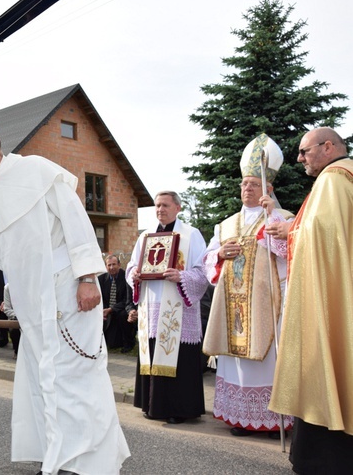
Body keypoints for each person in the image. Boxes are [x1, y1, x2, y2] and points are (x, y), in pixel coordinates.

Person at [0, 115, 129, 474]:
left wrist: (87, 278)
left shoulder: (36, 171)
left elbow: (76, 220)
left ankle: (90, 465)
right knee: (42, 380)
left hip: (66, 291)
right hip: (30, 304)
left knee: (75, 377)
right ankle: (58, 458)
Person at [267, 127, 353, 473]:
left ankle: (323, 458)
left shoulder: (333, 180)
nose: (300, 159)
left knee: (325, 361)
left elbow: (321, 234)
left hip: (331, 297)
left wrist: (291, 231)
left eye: (304, 151)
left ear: (327, 147)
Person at [202, 134, 294, 438]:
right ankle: (239, 418)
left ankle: (272, 420)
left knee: (268, 362)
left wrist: (273, 215)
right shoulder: (225, 224)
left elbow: (289, 255)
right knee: (235, 363)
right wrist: (219, 255)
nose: (247, 189)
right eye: (244, 184)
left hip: (267, 306)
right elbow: (207, 260)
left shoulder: (283, 218)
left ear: (268, 188)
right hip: (233, 307)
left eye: (254, 184)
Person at [125, 190, 209, 424]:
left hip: (177, 309)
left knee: (177, 357)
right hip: (150, 308)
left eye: (165, 205)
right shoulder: (145, 237)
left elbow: (203, 272)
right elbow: (131, 267)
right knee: (151, 354)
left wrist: (181, 276)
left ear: (178, 208)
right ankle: (151, 404)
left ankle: (179, 409)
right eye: (157, 206)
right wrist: (136, 275)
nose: (160, 209)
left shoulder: (191, 235)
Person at [98, 254, 136, 353]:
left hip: (121, 309)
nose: (111, 267)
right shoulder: (101, 279)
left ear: (119, 265)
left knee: (123, 315)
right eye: (109, 265)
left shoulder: (127, 278)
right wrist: (102, 311)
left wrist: (112, 309)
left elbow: (127, 300)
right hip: (106, 310)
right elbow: (100, 299)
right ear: (105, 266)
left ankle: (129, 343)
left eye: (114, 264)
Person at [1, 283, 21, 359]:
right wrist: (20, 315)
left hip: (32, 317)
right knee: (14, 329)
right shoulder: (8, 288)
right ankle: (17, 352)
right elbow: (7, 309)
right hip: (15, 317)